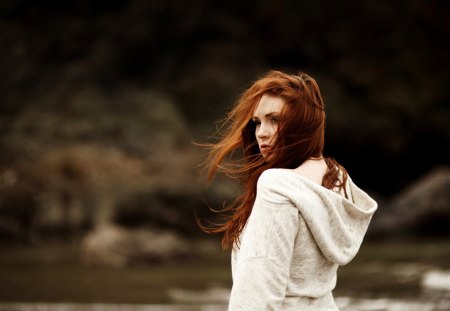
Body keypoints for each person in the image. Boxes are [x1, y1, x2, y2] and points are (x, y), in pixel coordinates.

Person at [202, 70, 377, 310]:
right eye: (257, 122)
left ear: (302, 125)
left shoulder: (276, 187)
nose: (262, 132)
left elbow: (257, 293)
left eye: (275, 120)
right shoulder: (335, 179)